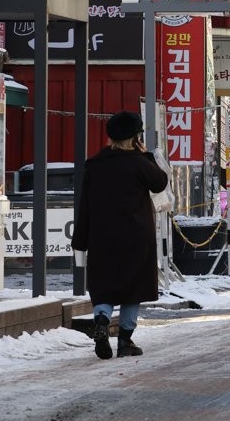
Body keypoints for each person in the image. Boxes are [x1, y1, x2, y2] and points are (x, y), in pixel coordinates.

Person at [71, 111, 169, 359]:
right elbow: (160, 182)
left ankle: (102, 320)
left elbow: (85, 206)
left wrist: (80, 241)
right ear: (135, 138)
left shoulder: (95, 165)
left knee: (104, 286)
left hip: (102, 238)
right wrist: (146, 155)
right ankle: (125, 341)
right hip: (136, 237)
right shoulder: (138, 163)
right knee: (133, 287)